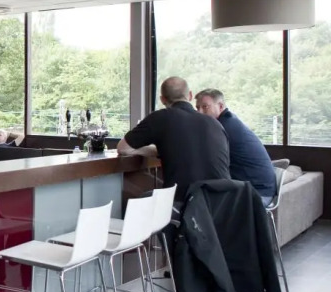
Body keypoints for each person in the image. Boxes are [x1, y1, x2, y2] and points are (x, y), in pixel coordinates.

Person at [117, 76, 230, 204]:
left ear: (162, 99)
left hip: (184, 204)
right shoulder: (216, 124)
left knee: (137, 202)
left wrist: (156, 151)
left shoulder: (160, 117)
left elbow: (123, 148)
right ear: (190, 95)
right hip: (222, 203)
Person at [196, 88, 276, 206]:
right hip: (259, 189)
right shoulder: (229, 121)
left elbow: (208, 161)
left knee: (197, 200)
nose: (199, 112)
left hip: (257, 194)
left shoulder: (223, 128)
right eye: (197, 108)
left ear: (220, 106)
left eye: (205, 107)